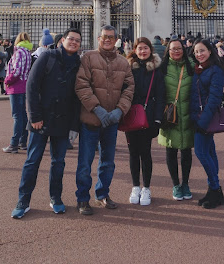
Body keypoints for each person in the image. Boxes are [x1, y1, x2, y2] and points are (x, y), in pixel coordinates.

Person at [11, 28, 82, 218]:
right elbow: (32, 86)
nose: (74, 42)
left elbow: (78, 97)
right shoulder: (47, 57)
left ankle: (56, 198)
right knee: (32, 161)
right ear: (62, 40)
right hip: (40, 119)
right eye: (71, 39)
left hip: (63, 120)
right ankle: (23, 199)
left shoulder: (79, 64)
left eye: (78, 40)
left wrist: (75, 126)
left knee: (58, 162)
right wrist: (34, 116)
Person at [74, 25, 134, 215]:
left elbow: (129, 89)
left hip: (112, 121)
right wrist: (96, 109)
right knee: (85, 162)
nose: (107, 39)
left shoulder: (124, 63)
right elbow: (81, 85)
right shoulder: (88, 58)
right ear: (98, 39)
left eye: (111, 37)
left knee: (108, 162)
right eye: (104, 37)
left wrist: (120, 111)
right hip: (91, 119)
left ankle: (102, 194)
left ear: (116, 39)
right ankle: (83, 198)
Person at [125, 37, 165, 206]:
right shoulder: (128, 69)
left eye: (145, 48)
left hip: (148, 116)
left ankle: (146, 187)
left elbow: (161, 96)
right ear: (135, 50)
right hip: (131, 115)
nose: (142, 51)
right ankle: (135, 186)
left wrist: (157, 119)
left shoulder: (156, 70)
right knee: (133, 152)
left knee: (145, 153)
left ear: (150, 50)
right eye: (139, 48)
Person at [190, 39, 224, 209]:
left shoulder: (215, 70)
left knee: (201, 153)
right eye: (196, 52)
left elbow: (214, 98)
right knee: (210, 152)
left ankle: (215, 188)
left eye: (202, 50)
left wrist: (203, 121)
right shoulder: (199, 69)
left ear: (210, 51)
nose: (199, 54)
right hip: (198, 116)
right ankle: (215, 190)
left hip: (205, 118)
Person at [158, 36, 194, 201]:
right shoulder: (162, 67)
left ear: (183, 50)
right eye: (173, 49)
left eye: (179, 48)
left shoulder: (191, 66)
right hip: (169, 114)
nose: (176, 51)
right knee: (170, 150)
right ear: (168, 51)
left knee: (186, 151)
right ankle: (175, 184)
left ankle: (185, 183)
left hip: (187, 113)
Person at [3, 32, 33, 153]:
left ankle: (14, 143)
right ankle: (22, 141)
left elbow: (17, 71)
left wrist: (7, 80)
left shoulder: (19, 52)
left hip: (16, 86)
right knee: (22, 115)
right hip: (23, 85)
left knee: (17, 116)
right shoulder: (27, 52)